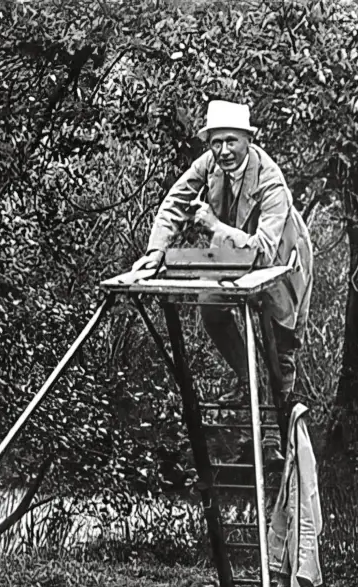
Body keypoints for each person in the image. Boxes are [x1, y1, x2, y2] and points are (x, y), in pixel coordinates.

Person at [130, 98, 315, 473]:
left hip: (280, 260)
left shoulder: (270, 178)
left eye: (231, 141)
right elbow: (174, 203)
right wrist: (155, 252)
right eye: (216, 142)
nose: (224, 151)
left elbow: (264, 249)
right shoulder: (209, 165)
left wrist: (214, 226)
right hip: (232, 256)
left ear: (248, 139)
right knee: (211, 305)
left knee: (282, 350)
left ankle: (281, 443)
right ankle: (251, 383)